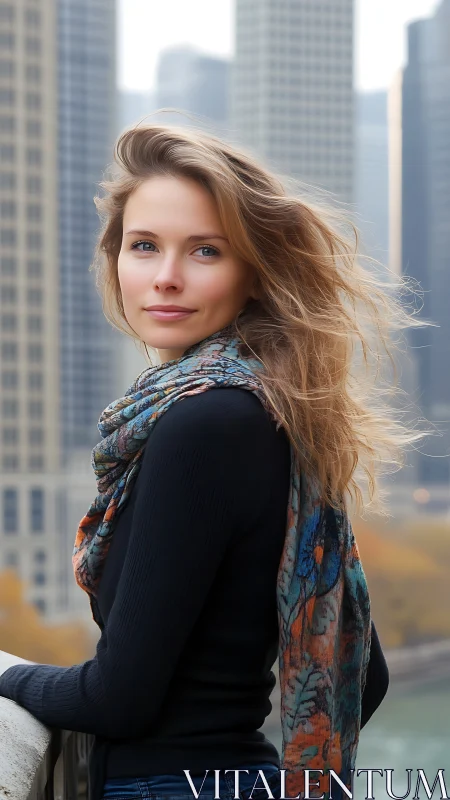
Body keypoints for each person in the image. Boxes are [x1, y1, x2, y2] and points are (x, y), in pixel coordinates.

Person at [0, 122, 430, 800]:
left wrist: (7, 675)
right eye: (144, 246)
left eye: (205, 250)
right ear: (115, 257)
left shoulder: (207, 424)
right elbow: (362, 674)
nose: (166, 278)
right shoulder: (267, 407)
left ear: (253, 270)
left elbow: (119, 700)